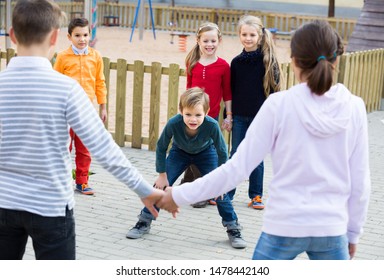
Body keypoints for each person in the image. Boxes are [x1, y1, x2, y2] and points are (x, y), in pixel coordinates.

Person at [157, 20, 371, 260]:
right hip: (332, 229)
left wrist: (176, 195)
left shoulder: (279, 105)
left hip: (283, 227)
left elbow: (235, 169)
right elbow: (360, 183)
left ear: (294, 60)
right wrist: (353, 233)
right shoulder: (354, 107)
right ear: (336, 59)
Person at [0, 0, 163, 260]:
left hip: (4, 204)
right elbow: (104, 147)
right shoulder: (66, 89)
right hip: (51, 206)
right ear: (55, 36)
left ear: (11, 35)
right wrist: (144, 189)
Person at [126, 87, 247, 249]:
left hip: (206, 153)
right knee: (159, 188)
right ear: (181, 111)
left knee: (220, 190)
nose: (193, 119)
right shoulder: (174, 123)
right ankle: (144, 221)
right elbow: (161, 147)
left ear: (207, 112)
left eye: (198, 115)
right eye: (188, 114)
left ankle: (233, 228)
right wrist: (162, 174)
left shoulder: (211, 125)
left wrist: (222, 179)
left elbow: (222, 151)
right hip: (179, 152)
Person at [227, 15, 281, 210]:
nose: (247, 38)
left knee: (256, 157)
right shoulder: (236, 63)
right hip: (240, 116)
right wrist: (229, 116)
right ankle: (228, 192)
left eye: (252, 35)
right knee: (235, 155)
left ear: (260, 36)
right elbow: (230, 92)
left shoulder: (268, 61)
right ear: (239, 35)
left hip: (261, 118)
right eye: (244, 34)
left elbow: (275, 94)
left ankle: (256, 195)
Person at [54, 17, 107, 195]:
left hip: (86, 112)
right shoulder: (62, 57)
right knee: (64, 148)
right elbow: (55, 82)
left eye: (85, 34)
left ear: (89, 35)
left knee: (84, 149)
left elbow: (100, 82)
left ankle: (82, 182)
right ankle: (59, 182)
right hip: (65, 112)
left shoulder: (95, 56)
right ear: (69, 37)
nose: (82, 39)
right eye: (77, 35)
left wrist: (103, 106)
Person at [184, 22, 233, 206]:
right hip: (193, 117)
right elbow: (188, 90)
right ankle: (194, 188)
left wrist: (229, 115)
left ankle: (199, 190)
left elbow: (227, 93)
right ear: (198, 41)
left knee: (206, 153)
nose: (209, 44)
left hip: (211, 117)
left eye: (213, 40)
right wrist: (184, 113)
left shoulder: (223, 66)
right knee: (192, 150)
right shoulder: (192, 63)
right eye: (205, 40)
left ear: (219, 41)